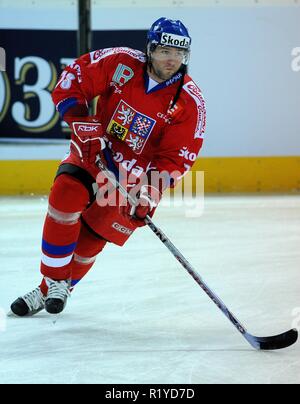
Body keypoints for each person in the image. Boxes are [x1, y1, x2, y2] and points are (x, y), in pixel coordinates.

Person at [10, 17, 206, 317]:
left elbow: (176, 158)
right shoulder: (120, 62)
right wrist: (81, 122)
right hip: (94, 154)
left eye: (179, 54)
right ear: (150, 49)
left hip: (131, 180)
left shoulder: (189, 102)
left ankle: (48, 290)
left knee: (89, 242)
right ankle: (54, 280)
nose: (172, 60)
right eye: (165, 51)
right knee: (65, 196)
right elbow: (71, 81)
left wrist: (149, 194)